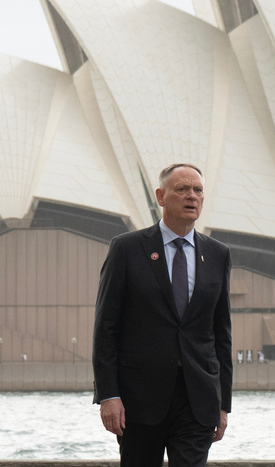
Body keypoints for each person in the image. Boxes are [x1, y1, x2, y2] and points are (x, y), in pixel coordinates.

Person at [92, 163, 232, 467]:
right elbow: (106, 329)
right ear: (160, 196)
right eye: (182, 189)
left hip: (198, 400)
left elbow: (221, 333)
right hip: (140, 400)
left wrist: (224, 405)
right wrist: (108, 395)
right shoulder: (127, 249)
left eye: (198, 190)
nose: (191, 196)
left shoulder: (218, 254)